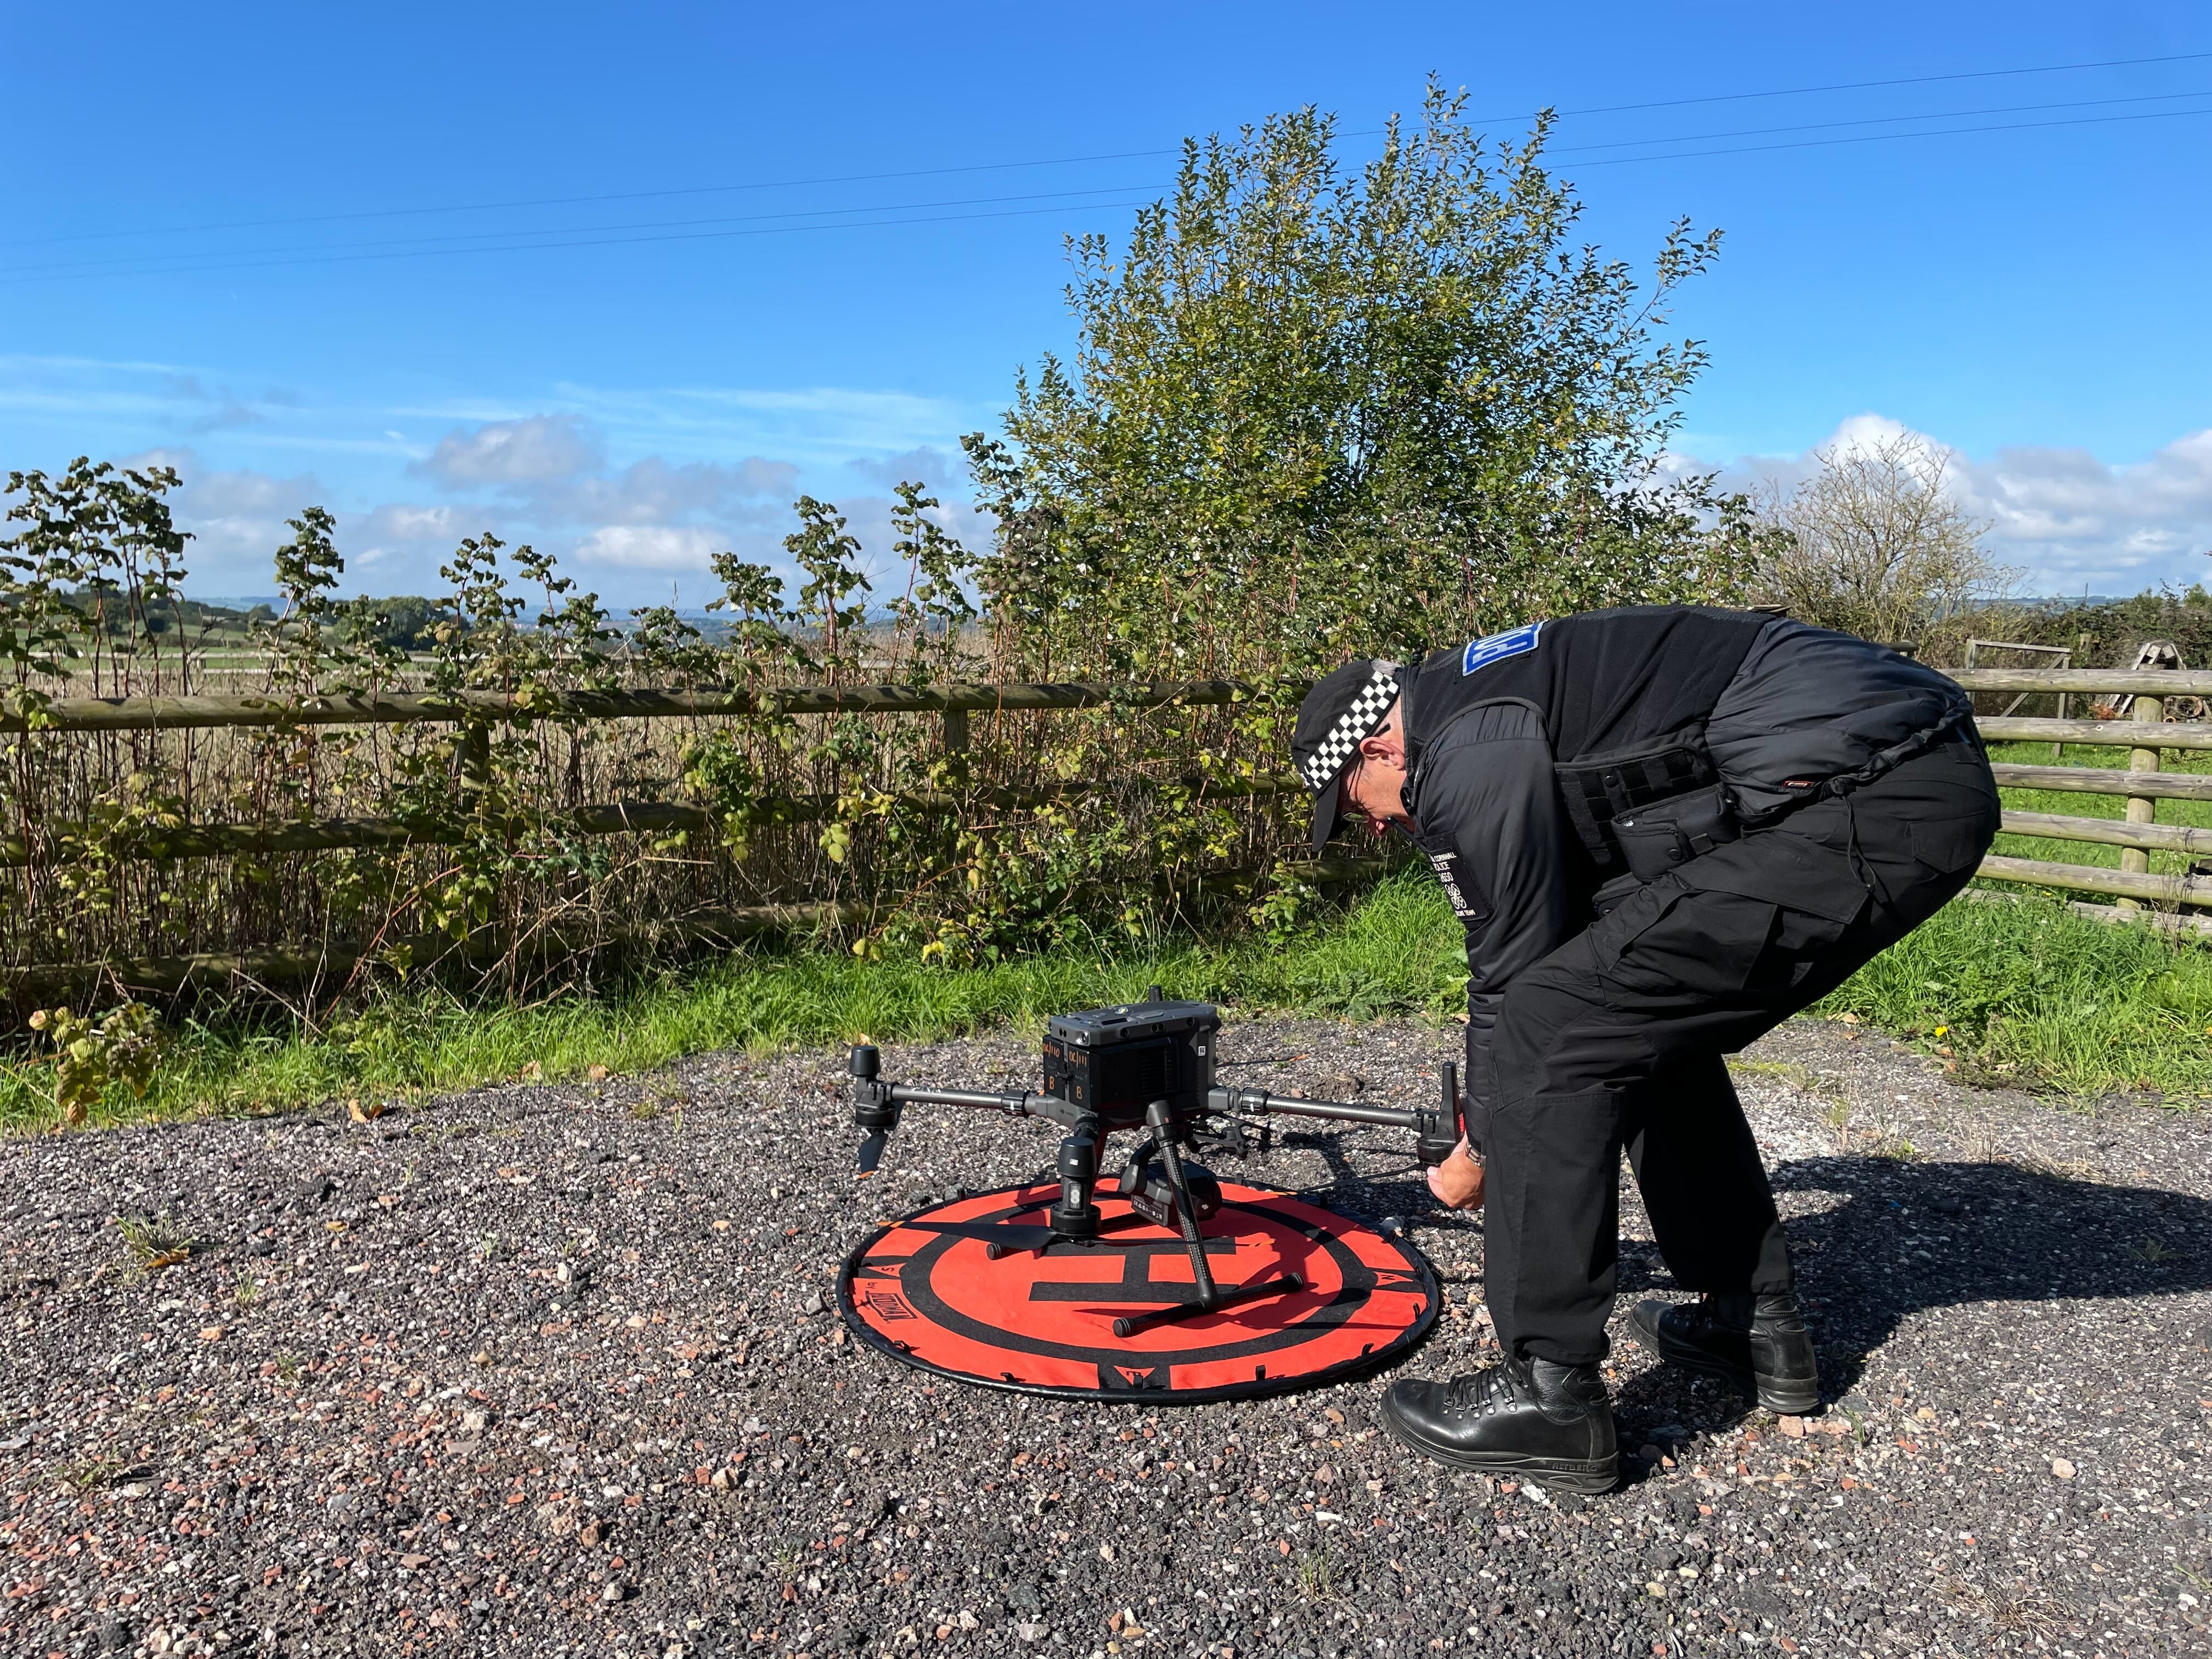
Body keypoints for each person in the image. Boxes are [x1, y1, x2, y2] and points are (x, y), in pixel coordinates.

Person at [1290, 605, 1999, 1492]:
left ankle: (1550, 1394)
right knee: (1630, 1006)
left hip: (1867, 788)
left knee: (1555, 1022)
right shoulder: (1482, 700)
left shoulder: (1464, 749)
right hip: (1897, 778)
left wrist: (1483, 1148)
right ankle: (1752, 1321)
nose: (1380, 828)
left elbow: (1513, 978)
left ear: (1379, 751)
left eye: (1356, 806)